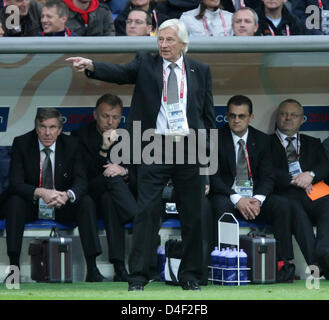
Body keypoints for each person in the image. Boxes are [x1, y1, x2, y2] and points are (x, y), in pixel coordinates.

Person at [66, 18, 216, 291]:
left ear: (183, 44)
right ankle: (138, 276)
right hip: (153, 147)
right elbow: (120, 72)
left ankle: (191, 275)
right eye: (160, 39)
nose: (164, 44)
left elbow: (207, 118)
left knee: (193, 215)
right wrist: (92, 66)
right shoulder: (146, 64)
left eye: (170, 40)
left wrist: (207, 164)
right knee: (146, 214)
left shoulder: (200, 70)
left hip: (189, 149)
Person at [4, 108, 106, 282]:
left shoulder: (73, 144)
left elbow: (82, 182)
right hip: (33, 204)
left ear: (60, 130)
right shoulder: (22, 143)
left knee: (86, 202)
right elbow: (15, 183)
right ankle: (14, 268)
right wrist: (41, 192)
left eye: (52, 127)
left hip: (62, 203)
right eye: (42, 127)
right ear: (36, 127)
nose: (47, 133)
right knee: (14, 202)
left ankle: (92, 268)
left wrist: (67, 195)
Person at [209, 95, 297, 282]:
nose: (236, 120)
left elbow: (268, 177)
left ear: (251, 117)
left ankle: (284, 265)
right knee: (219, 204)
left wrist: (257, 199)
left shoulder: (263, 140)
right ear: (226, 116)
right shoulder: (215, 138)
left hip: (254, 198)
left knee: (282, 205)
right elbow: (213, 178)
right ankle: (226, 265)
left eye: (241, 116)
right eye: (232, 116)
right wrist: (237, 199)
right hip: (228, 196)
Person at [71, 94, 138, 281]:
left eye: (115, 117)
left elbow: (137, 175)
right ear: (95, 115)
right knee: (110, 178)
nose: (110, 122)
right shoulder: (80, 137)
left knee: (111, 197)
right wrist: (103, 149)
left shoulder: (128, 138)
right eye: (105, 116)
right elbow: (83, 176)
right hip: (89, 191)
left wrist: (123, 171)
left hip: (113, 198)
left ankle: (119, 267)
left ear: (120, 118)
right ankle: (137, 216)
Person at [270, 99, 329, 278]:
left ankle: (325, 252)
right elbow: (266, 171)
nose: (288, 118)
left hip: (312, 190)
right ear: (277, 117)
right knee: (296, 212)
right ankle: (318, 266)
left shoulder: (313, 141)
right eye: (284, 114)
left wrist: (310, 174)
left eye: (294, 115)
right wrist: (295, 179)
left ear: (302, 119)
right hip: (284, 192)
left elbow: (325, 165)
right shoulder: (264, 142)